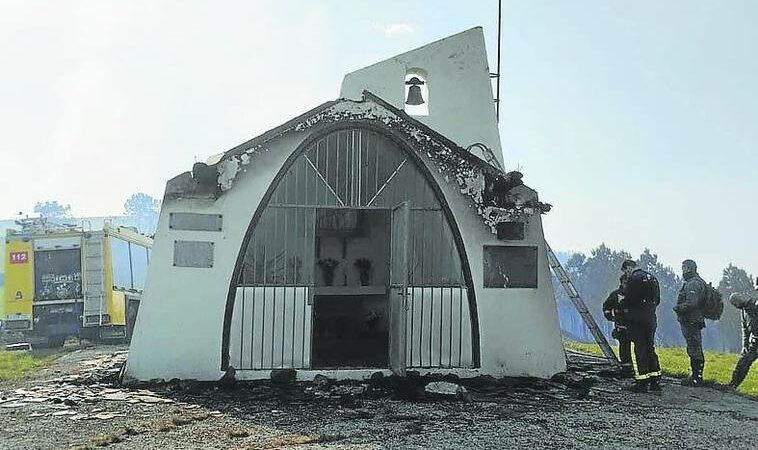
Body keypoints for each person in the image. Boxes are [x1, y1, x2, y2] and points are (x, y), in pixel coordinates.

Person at [620, 259, 662, 393]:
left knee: (640, 348)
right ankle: (655, 380)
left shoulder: (634, 279)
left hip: (637, 318)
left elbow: (630, 299)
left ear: (628, 268)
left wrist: (623, 302)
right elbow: (658, 300)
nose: (626, 273)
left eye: (625, 270)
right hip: (651, 317)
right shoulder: (652, 278)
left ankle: (642, 381)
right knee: (650, 347)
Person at [673, 259, 707, 386]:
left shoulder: (693, 284)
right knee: (694, 346)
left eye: (684, 268)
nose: (682, 271)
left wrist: (678, 308)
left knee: (694, 347)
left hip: (691, 320)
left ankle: (696, 377)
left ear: (688, 268)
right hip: (694, 319)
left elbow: (692, 303)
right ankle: (696, 376)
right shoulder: (698, 282)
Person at [728, 278, 758, 389]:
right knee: (743, 362)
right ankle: (733, 385)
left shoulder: (755, 303)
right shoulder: (744, 311)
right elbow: (745, 329)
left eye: (736, 303)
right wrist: (744, 345)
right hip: (755, 342)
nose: (736, 306)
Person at [602, 274, 634, 377]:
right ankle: (626, 369)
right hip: (622, 327)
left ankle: (640, 369)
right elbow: (606, 306)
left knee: (639, 348)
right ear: (622, 282)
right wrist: (610, 316)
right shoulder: (616, 295)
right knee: (624, 347)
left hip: (635, 326)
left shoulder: (635, 294)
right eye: (625, 283)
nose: (627, 285)